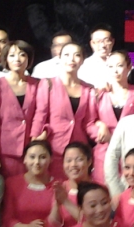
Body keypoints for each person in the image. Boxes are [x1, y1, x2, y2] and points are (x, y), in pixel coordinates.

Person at [31, 42, 105, 179]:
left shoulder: (88, 88)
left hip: (79, 151)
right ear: (59, 58)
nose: (71, 59)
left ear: (82, 60)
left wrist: (102, 133)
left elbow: (88, 122)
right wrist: (35, 140)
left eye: (77, 55)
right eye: (66, 55)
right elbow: (40, 115)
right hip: (54, 148)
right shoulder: (48, 83)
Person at [0, 40, 41, 179]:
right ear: (5, 59)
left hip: (33, 149)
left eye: (22, 54)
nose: (17, 59)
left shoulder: (38, 84)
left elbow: (42, 114)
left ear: (29, 58)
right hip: (7, 151)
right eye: (12, 55)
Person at [93, 50, 134, 183]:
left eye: (119, 66)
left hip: (130, 153)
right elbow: (90, 121)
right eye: (110, 66)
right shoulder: (99, 94)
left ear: (129, 67)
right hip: (104, 152)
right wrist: (100, 126)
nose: (115, 70)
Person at [47, 142, 92, 227]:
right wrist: (57, 204)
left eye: (79, 160)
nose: (73, 164)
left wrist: (65, 201)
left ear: (89, 161)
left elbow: (92, 224)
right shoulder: (61, 188)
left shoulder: (98, 189)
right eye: (68, 160)